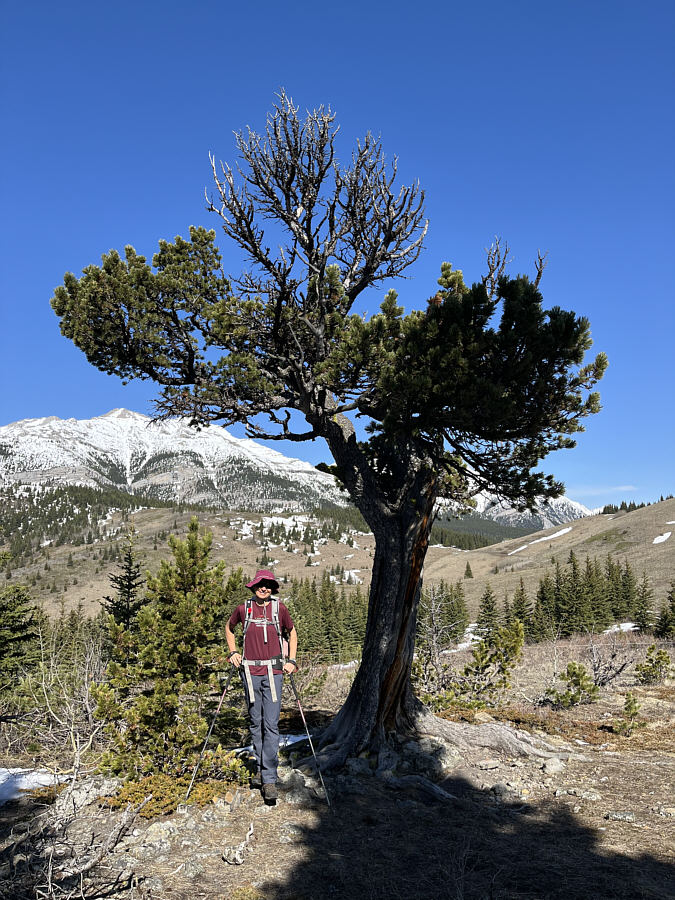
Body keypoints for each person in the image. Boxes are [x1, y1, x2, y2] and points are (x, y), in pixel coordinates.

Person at [225, 568, 298, 800]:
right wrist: (233, 652)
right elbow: (229, 628)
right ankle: (260, 767)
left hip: (273, 672)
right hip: (250, 672)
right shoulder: (244, 609)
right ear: (254, 586)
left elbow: (292, 632)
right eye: (260, 584)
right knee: (255, 723)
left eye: (267, 584)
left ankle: (269, 779)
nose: (263, 588)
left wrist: (291, 660)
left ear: (272, 588)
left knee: (271, 724)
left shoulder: (279, 608)